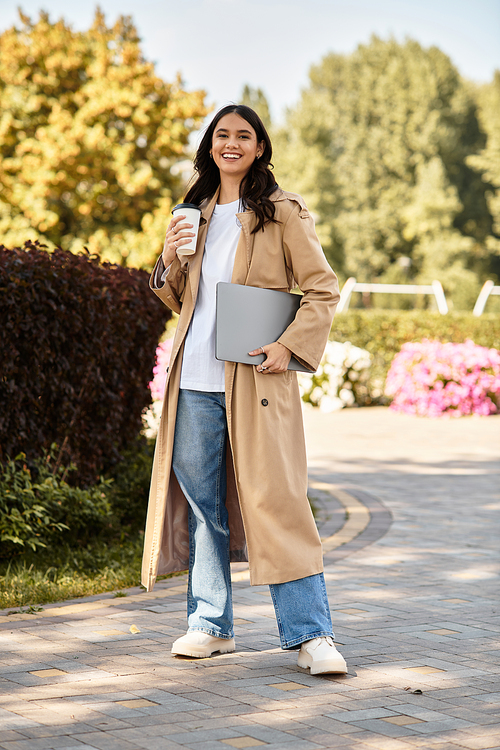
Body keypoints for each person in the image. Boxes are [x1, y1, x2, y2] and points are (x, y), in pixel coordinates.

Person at [141, 104, 347, 675]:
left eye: (244, 136)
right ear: (210, 146)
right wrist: (169, 255)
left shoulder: (282, 213)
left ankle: (312, 635)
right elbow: (176, 295)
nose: (232, 143)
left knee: (277, 502)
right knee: (205, 508)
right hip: (195, 381)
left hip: (257, 378)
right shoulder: (194, 213)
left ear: (259, 148)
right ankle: (210, 624)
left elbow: (322, 290)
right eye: (222, 135)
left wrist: (288, 345)